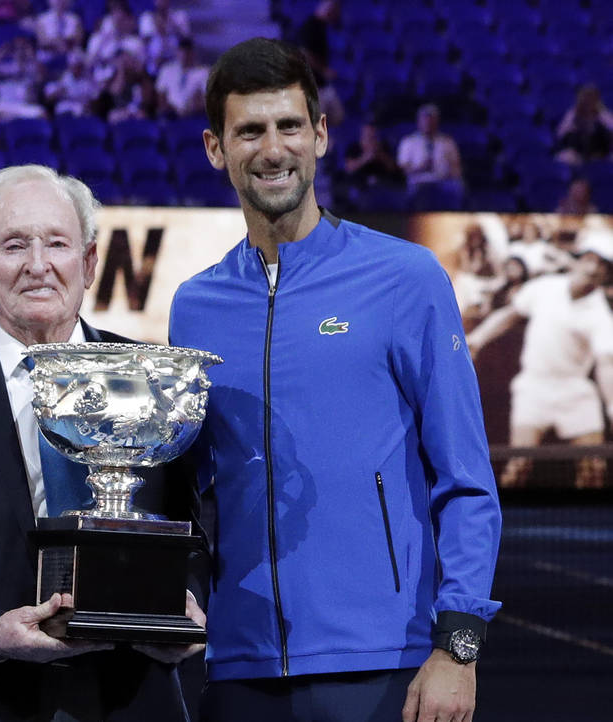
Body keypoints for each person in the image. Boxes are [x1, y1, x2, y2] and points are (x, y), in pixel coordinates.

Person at [168, 38, 501, 722]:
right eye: (249, 131)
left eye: (289, 126)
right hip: (238, 666)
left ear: (319, 135)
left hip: (384, 663)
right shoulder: (194, 306)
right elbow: (192, 489)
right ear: (214, 147)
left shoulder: (406, 280)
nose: (272, 149)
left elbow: (466, 479)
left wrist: (458, 647)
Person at [0, 164, 207, 722]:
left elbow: (197, 532)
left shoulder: (152, 380)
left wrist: (185, 607)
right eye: (14, 245)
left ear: (89, 262)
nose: (38, 265)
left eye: (56, 243)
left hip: (132, 696)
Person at [468, 223, 613, 489]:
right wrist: (476, 339)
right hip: (533, 387)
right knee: (519, 465)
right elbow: (510, 315)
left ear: (606, 274)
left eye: (603, 265)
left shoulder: (601, 315)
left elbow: (606, 364)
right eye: (591, 260)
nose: (594, 269)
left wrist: (612, 406)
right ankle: (503, 527)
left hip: (575, 391)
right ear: (581, 260)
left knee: (593, 471)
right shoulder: (545, 288)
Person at [397, 103, 465, 209]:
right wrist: (420, 168)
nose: (428, 123)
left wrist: (451, 173)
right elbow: (402, 169)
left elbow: (456, 167)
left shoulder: (447, 142)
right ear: (419, 121)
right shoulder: (408, 142)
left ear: (437, 121)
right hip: (418, 181)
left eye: (431, 119)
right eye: (425, 119)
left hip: (442, 181)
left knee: (457, 187)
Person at [554, 83, 613, 166]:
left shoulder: (603, 114)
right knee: (562, 157)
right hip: (578, 153)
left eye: (591, 97)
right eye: (586, 97)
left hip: (602, 153)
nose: (588, 100)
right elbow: (560, 134)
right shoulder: (573, 113)